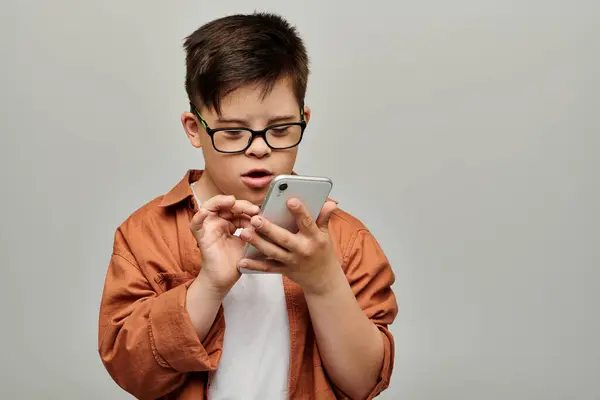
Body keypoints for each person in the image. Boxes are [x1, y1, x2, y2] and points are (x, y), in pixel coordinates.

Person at [98, 11, 398, 400]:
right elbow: (131, 372)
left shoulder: (344, 238)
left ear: (303, 120)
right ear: (194, 129)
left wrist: (323, 281)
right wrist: (209, 285)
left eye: (280, 129)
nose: (260, 147)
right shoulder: (144, 234)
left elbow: (363, 383)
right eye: (233, 131)